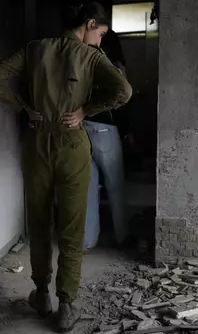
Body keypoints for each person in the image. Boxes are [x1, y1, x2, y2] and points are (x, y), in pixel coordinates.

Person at [0, 2, 132, 332]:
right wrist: (86, 110)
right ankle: (66, 306)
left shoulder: (36, 49)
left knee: (39, 221)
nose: (100, 41)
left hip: (37, 142)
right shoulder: (91, 57)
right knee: (72, 226)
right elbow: (124, 90)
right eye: (100, 33)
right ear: (89, 24)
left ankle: (41, 294)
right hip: (72, 143)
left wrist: (24, 106)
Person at [83, 29, 131, 251]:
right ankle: (123, 237)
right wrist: (128, 131)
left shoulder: (83, 62)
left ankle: (88, 240)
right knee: (115, 186)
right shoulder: (114, 66)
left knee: (89, 187)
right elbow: (122, 101)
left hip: (82, 126)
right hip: (106, 130)